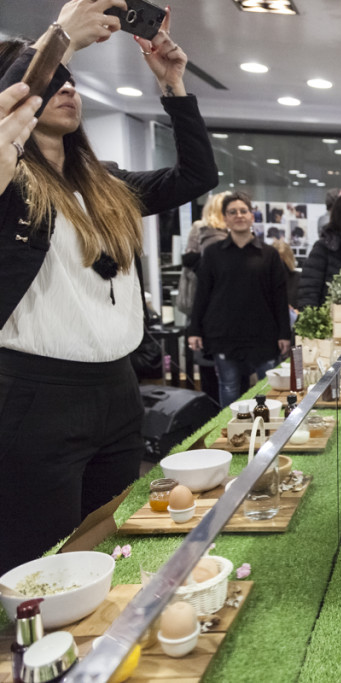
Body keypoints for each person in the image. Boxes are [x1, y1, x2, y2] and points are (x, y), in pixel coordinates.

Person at [0, 1, 218, 575]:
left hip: (118, 390)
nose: (68, 90)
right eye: (54, 82)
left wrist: (173, 87)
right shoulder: (12, 189)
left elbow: (197, 178)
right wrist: (60, 40)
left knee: (112, 540)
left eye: (73, 83)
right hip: (36, 397)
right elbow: (17, 88)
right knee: (39, 561)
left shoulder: (107, 184)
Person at [188, 193, 291, 406]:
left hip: (263, 335)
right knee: (229, 386)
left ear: (252, 216)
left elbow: (280, 296)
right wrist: (194, 329)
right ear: (225, 219)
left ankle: (270, 432)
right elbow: (202, 294)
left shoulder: (269, 254)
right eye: (232, 212)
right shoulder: (213, 254)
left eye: (243, 211)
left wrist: (284, 333)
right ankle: (229, 434)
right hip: (225, 334)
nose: (239, 215)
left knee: (268, 388)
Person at [179, 190, 231, 403]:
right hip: (206, 309)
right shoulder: (202, 230)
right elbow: (194, 265)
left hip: (224, 310)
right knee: (211, 369)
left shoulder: (232, 236)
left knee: (230, 373)